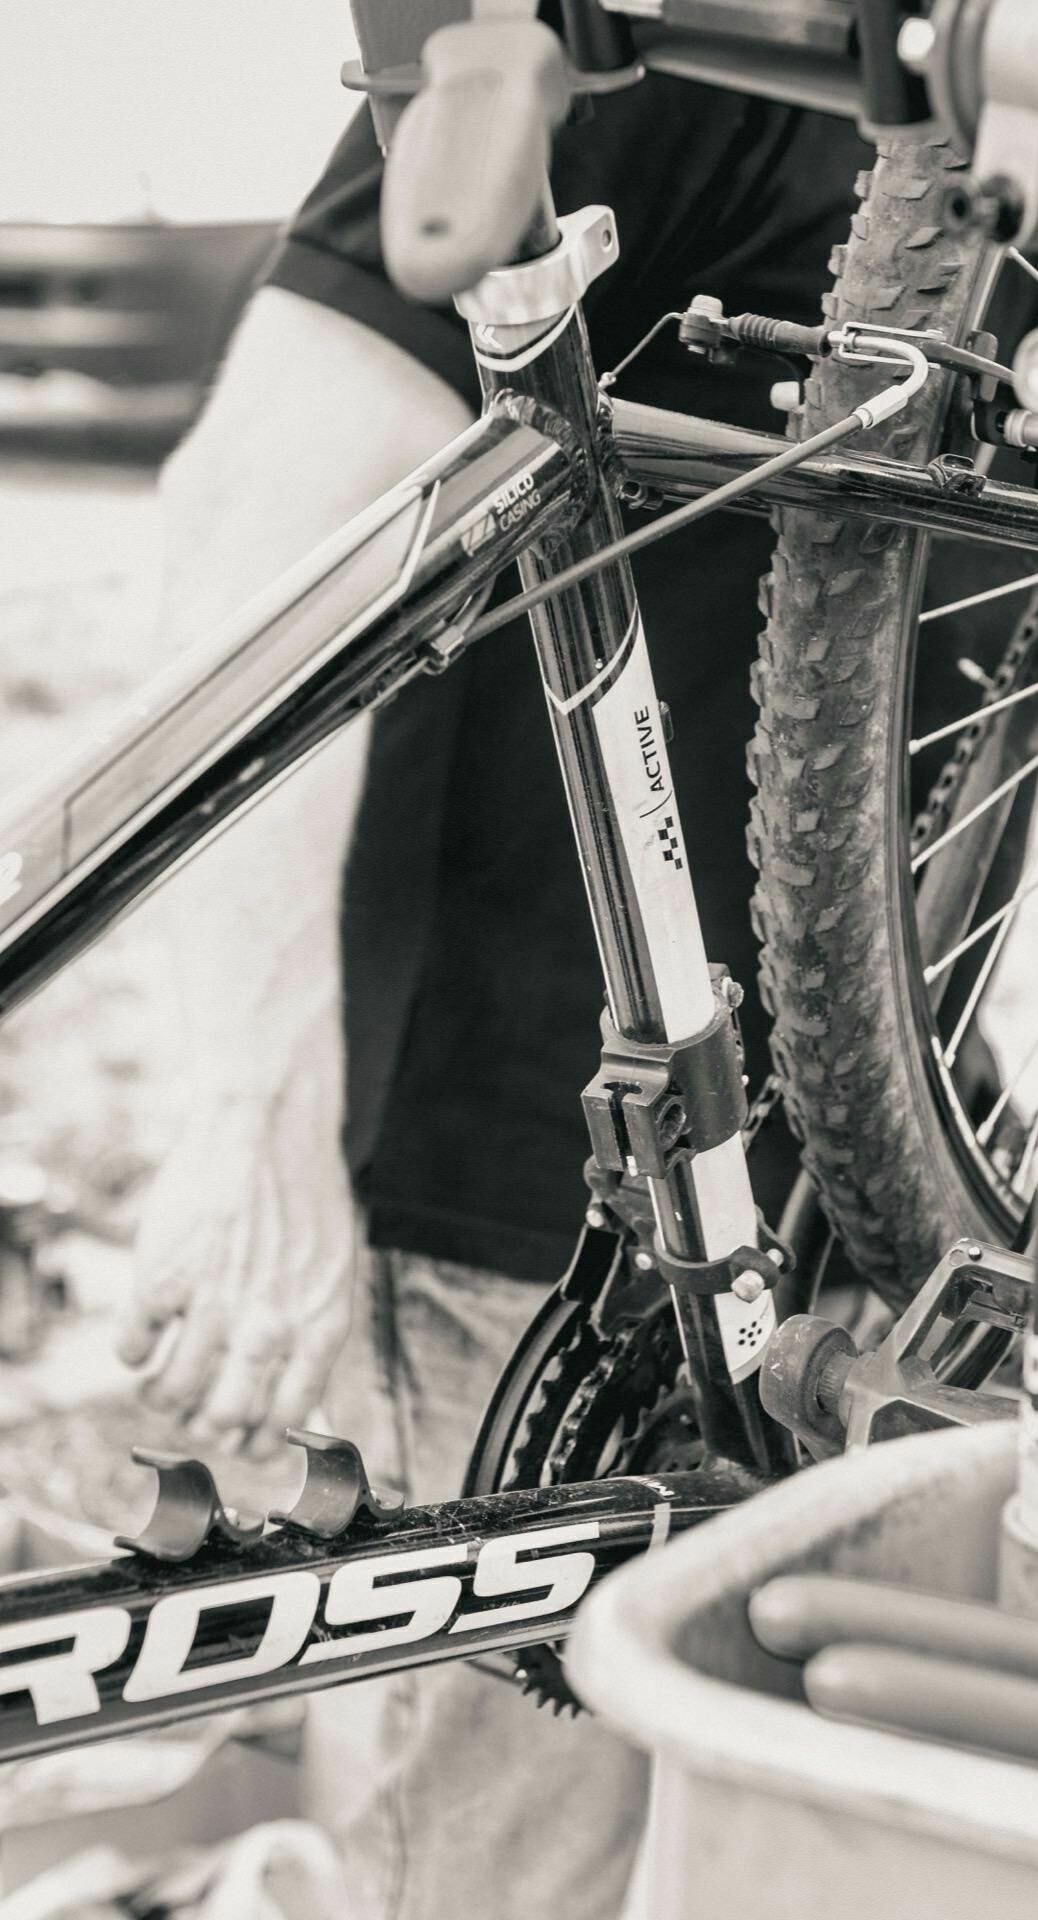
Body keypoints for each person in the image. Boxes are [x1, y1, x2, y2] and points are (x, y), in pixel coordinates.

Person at [112, 58, 872, 1920]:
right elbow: (261, 519)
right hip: (520, 1203)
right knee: (483, 1876)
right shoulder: (714, 36)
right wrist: (251, 1113)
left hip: (822, 1217)